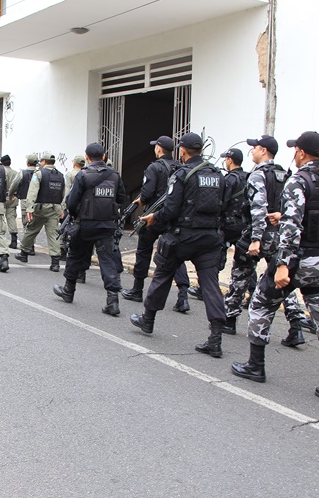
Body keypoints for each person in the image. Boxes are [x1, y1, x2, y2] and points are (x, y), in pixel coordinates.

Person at [231, 131, 319, 404]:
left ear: (301, 153)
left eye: (295, 149)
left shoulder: (298, 180)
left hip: (300, 259)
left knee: (261, 302)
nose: (294, 154)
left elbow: (292, 228)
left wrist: (283, 264)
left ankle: (255, 365)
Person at [129, 133, 227, 357]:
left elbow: (171, 209)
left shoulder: (182, 174)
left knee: (162, 275)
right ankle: (216, 338)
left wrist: (155, 218)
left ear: (182, 151)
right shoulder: (217, 174)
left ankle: (148, 320)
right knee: (211, 285)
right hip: (210, 238)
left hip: (182, 236)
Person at [222, 135, 313, 345]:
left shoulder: (257, 175)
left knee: (240, 275)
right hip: (279, 234)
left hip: (259, 233)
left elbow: (258, 208)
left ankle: (229, 318)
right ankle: (296, 326)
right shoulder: (286, 174)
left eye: (254, 148)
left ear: (263, 150)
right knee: (281, 280)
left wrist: (256, 238)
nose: (251, 152)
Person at [54, 142, 126, 314]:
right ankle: (112, 301)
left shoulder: (83, 175)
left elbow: (71, 202)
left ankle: (68, 291)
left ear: (86, 156)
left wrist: (73, 214)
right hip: (107, 225)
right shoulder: (114, 176)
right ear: (103, 157)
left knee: (75, 256)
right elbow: (122, 198)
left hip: (85, 225)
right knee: (107, 261)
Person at [121, 136, 190, 313]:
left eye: (156, 147)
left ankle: (137, 289)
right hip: (172, 216)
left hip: (154, 216)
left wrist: (141, 201)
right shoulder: (179, 168)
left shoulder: (154, 167)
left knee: (143, 250)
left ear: (159, 149)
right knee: (174, 253)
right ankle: (183, 296)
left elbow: (147, 193)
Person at [15, 151, 65, 271]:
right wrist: (62, 208)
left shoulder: (39, 173)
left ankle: (24, 253)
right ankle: (55, 262)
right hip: (55, 208)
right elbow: (64, 193)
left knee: (31, 230)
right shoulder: (60, 175)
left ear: (43, 162)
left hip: (41, 208)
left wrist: (29, 208)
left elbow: (33, 191)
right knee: (53, 234)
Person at [1, 154, 21, 249]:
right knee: (11, 218)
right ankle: (14, 240)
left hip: (2, 197)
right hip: (13, 197)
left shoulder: (0, 172)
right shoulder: (16, 173)